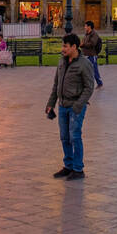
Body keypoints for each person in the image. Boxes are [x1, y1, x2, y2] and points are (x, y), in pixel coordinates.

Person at [45, 34, 95, 180]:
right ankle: (68, 166)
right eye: (63, 46)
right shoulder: (62, 61)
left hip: (75, 107)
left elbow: (89, 87)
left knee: (75, 137)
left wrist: (78, 105)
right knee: (64, 137)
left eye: (65, 46)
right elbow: (56, 85)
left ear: (74, 47)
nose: (63, 49)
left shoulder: (84, 64)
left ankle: (78, 169)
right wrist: (50, 104)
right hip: (62, 106)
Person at [80, 20, 103, 89]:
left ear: (89, 27)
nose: (84, 27)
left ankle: (99, 83)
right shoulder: (86, 34)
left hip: (92, 55)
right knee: (84, 70)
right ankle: (85, 84)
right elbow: (84, 43)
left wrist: (83, 44)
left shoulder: (94, 34)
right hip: (85, 55)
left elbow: (92, 44)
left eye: (85, 26)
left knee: (94, 70)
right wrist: (81, 45)